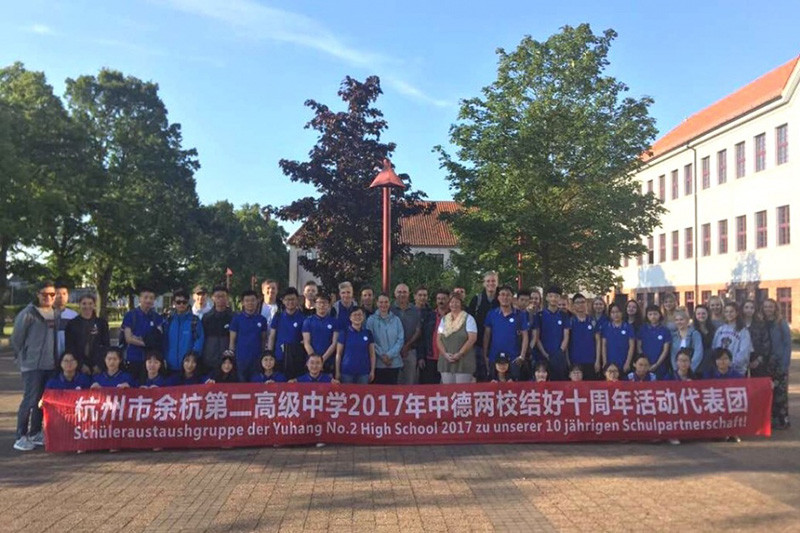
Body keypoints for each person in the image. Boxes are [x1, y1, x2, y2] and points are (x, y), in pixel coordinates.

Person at [12, 280, 60, 451]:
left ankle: (35, 432)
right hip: (32, 366)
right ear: (38, 295)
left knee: (42, 401)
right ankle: (21, 435)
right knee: (30, 399)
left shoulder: (55, 314)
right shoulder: (28, 314)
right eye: (44, 294)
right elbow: (17, 339)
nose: (48, 297)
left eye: (52, 294)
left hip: (51, 365)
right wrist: (23, 357)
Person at [483, 285, 529, 380]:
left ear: (512, 298)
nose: (505, 297)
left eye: (508, 295)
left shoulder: (520, 315)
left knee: (514, 390)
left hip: (514, 358)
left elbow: (525, 336)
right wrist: (485, 355)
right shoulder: (491, 314)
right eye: (502, 294)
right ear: (498, 297)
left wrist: (522, 356)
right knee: (495, 389)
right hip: (494, 357)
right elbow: (487, 335)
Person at [122, 286, 165, 379]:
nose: (148, 300)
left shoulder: (157, 317)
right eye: (145, 297)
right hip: (133, 359)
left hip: (151, 362)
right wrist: (146, 343)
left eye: (151, 298)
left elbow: (158, 336)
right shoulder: (130, 315)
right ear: (140, 299)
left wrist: (138, 338)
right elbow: (128, 338)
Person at [761, 298, 792, 429]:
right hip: (767, 362)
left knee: (781, 392)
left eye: (770, 307)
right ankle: (771, 417)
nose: (768, 309)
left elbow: (787, 344)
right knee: (769, 391)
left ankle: (783, 419)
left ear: (775, 308)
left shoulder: (781, 323)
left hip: (779, 362)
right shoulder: (761, 323)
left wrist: (785, 364)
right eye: (766, 306)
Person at [437, 294, 478, 384]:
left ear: (461, 304)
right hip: (446, 360)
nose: (454, 304)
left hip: (463, 361)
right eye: (451, 302)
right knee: (448, 392)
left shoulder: (469, 319)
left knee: (462, 392)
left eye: (456, 302)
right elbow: (439, 339)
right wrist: (445, 354)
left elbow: (472, 339)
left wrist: (459, 354)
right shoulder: (444, 319)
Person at [65, 293, 110, 375]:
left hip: (97, 364)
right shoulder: (72, 324)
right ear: (79, 305)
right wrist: (80, 365)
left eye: (90, 303)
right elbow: (70, 347)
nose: (87, 306)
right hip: (79, 364)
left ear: (94, 305)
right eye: (84, 304)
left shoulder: (101, 323)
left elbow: (106, 345)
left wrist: (99, 364)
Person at [229, 289, 269, 381]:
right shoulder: (237, 319)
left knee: (256, 386)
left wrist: (263, 356)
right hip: (241, 359)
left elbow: (263, 339)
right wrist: (231, 357)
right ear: (242, 303)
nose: (250, 303)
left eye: (252, 300)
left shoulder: (262, 320)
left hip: (257, 359)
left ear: (257, 301)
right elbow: (232, 340)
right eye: (247, 301)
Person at [467, 271, 500, 381]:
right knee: (481, 378)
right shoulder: (477, 300)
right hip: (479, 345)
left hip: (498, 345)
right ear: (484, 283)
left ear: (497, 282)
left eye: (493, 281)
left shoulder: (503, 300)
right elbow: (469, 322)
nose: (491, 283)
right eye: (488, 281)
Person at [163, 289, 205, 373]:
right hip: (170, 366)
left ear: (188, 303)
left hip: (188, 368)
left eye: (184, 302)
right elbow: (164, 341)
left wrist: (192, 359)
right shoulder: (168, 320)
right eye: (178, 302)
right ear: (174, 303)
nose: (181, 304)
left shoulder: (194, 321)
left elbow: (199, 340)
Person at [268, 287, 305, 379]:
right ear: (283, 301)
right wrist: (269, 353)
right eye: (287, 299)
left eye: (293, 299)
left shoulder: (303, 318)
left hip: (296, 358)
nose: (290, 302)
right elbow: (272, 336)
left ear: (297, 300)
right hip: (279, 357)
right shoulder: (278, 316)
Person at [367, 294, 405, 385]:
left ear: (389, 303)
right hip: (378, 363)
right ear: (377, 303)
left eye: (386, 302)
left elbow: (400, 339)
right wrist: (383, 356)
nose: (383, 304)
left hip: (394, 363)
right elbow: (370, 340)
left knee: (392, 393)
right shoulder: (371, 320)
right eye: (381, 302)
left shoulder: (396, 320)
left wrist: (389, 355)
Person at [535, 286, 571, 380]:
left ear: (559, 298)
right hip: (543, 355)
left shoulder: (564, 315)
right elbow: (537, 337)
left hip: (559, 355)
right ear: (546, 298)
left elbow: (566, 336)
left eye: (556, 296)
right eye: (551, 296)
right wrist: (544, 353)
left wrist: (560, 351)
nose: (553, 299)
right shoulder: (540, 315)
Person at [417, 288, 450, 384]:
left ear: (448, 299)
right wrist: (421, 357)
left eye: (443, 298)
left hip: (447, 358)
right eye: (438, 299)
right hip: (430, 357)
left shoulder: (454, 316)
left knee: (447, 389)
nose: (441, 301)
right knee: (429, 388)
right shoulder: (429, 316)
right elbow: (422, 337)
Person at [302, 293, 339, 375]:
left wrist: (322, 360)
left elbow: (334, 343)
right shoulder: (308, 321)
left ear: (329, 305)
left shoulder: (334, 322)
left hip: (328, 361)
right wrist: (315, 361)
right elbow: (306, 343)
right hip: (312, 363)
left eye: (325, 303)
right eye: (319, 302)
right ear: (315, 304)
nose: (322, 305)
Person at [336, 307, 375, 384]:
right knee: (347, 394)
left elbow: (372, 354)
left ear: (363, 317)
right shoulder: (344, 333)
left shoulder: (368, 333)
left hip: (364, 372)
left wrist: (372, 371)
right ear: (350, 317)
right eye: (355, 315)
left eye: (360, 315)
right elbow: (339, 354)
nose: (357, 317)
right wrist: (337, 371)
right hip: (347, 371)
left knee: (362, 394)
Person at [392, 283, 422, 385]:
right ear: (395, 294)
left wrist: (407, 346)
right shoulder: (389, 310)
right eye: (399, 292)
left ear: (409, 294)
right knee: (395, 382)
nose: (402, 294)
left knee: (410, 382)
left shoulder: (416, 310)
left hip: (410, 351)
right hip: (393, 352)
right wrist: (398, 348)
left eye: (404, 292)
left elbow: (418, 330)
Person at [712, 302, 753, 376]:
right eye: (726, 312)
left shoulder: (743, 331)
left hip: (737, 371)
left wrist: (730, 364)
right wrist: (720, 364)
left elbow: (744, 353)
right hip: (720, 370)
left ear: (736, 313)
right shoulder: (720, 330)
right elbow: (715, 348)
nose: (729, 314)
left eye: (731, 311)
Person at [568, 293, 601, 380]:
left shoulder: (593, 321)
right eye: (577, 302)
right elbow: (567, 342)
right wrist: (568, 360)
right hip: (575, 361)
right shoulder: (570, 321)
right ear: (573, 305)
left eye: (583, 302)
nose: (580, 305)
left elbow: (598, 341)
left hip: (591, 361)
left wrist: (597, 360)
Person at [201, 286, 233, 374]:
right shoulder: (206, 317)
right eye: (217, 296)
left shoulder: (233, 317)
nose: (220, 299)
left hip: (228, 362)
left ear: (227, 298)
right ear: (212, 298)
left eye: (223, 296)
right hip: (209, 360)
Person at [637, 305, 671, 379]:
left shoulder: (665, 330)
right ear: (647, 316)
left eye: (655, 314)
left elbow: (665, 350)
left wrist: (656, 364)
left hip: (660, 365)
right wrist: (645, 364)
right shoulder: (642, 329)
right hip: (644, 366)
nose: (653, 316)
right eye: (650, 314)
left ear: (659, 315)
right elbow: (639, 347)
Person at [601, 303, 634, 373]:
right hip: (610, 362)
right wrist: (605, 362)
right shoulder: (606, 326)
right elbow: (604, 345)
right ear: (609, 314)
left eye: (618, 312)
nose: (616, 314)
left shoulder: (628, 327)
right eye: (613, 312)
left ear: (622, 313)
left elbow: (631, 346)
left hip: (623, 361)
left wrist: (627, 363)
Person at [742, 300, 771, 378]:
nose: (749, 310)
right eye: (746, 307)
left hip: (757, 359)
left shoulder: (760, 324)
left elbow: (766, 343)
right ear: (742, 309)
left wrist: (759, 359)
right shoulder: (739, 325)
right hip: (741, 360)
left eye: (752, 308)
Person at [670, 308, 703, 375]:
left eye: (681, 319)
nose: (679, 322)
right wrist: (676, 370)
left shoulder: (694, 334)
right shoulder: (674, 336)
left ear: (687, 320)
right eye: (676, 320)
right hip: (678, 372)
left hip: (692, 371)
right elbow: (673, 355)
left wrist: (689, 369)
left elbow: (698, 353)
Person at [692, 305, 717, 377]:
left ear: (707, 314)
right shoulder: (692, 330)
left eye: (703, 313)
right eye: (698, 314)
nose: (701, 316)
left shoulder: (713, 328)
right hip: (697, 363)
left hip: (711, 362)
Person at [54, 282, 78, 357]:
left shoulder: (73, 315)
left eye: (64, 294)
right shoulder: (47, 314)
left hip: (68, 356)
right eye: (58, 293)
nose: (61, 296)